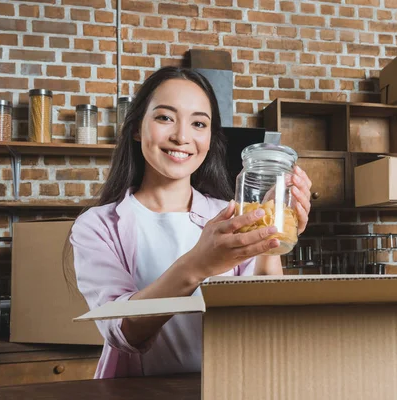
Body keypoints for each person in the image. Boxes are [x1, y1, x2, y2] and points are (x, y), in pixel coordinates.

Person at [68, 67, 313, 378]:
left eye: (198, 123)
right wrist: (199, 264)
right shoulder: (98, 226)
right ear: (136, 128)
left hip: (226, 389)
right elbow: (123, 333)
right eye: (164, 117)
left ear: (210, 138)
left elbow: (263, 322)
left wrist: (271, 240)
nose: (182, 137)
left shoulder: (233, 215)